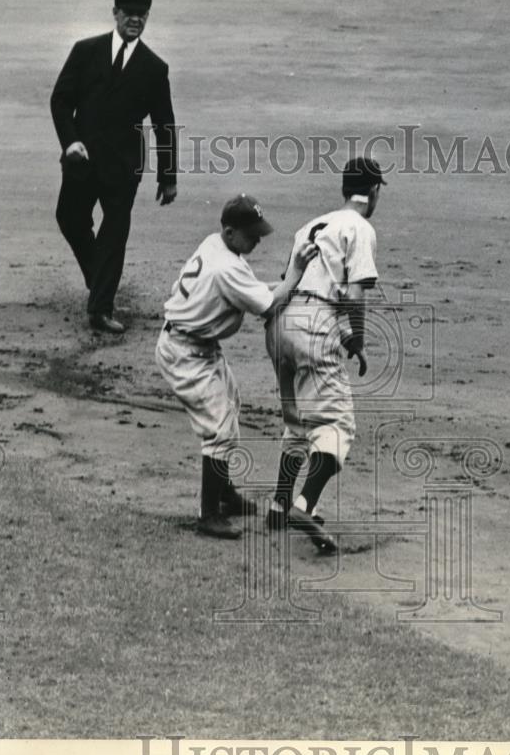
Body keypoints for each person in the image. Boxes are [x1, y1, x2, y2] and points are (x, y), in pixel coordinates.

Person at [156, 194, 319, 540]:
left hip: (197, 346)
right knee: (220, 429)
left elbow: (256, 291)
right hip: (185, 352)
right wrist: (295, 274)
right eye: (251, 234)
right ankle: (209, 514)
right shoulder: (226, 267)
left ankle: (224, 494)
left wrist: (285, 286)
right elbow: (267, 305)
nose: (257, 239)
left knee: (231, 406)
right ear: (230, 232)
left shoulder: (216, 245)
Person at [264, 157, 386, 553]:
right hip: (315, 327)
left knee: (297, 419)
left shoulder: (311, 225)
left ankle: (279, 503)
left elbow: (300, 284)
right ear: (374, 192)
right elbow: (351, 294)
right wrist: (359, 339)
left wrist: (345, 334)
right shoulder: (360, 228)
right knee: (336, 426)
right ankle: (305, 504)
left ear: (343, 189)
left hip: (280, 324)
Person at [51, 0, 178, 334]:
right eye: (130, 13)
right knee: (70, 218)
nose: (136, 20)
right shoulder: (85, 51)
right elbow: (61, 100)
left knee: (114, 231)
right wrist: (70, 141)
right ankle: (100, 281)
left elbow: (164, 124)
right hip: (83, 160)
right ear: (115, 14)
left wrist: (168, 178)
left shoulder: (154, 67)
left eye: (142, 14)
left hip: (124, 168)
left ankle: (101, 309)